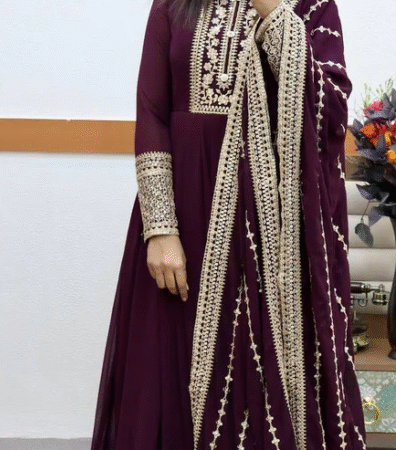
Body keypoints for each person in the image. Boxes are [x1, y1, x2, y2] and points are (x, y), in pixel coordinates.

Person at [90, 0, 367, 448]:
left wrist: (274, 14)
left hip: (272, 235)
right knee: (167, 375)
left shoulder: (312, 7)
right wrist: (160, 228)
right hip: (184, 216)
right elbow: (151, 112)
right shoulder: (173, 4)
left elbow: (331, 114)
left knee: (259, 378)